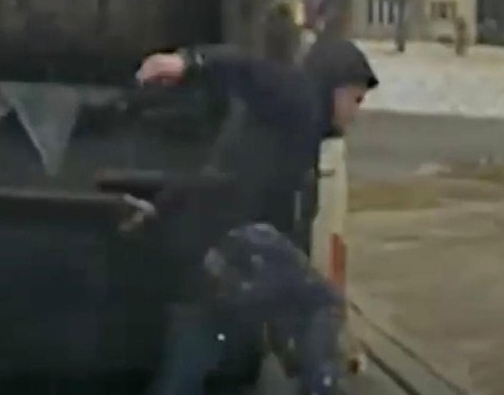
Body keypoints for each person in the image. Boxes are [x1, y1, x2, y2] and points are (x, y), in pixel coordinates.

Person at [136, 36, 378, 395]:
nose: (355, 113)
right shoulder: (299, 97)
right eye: (354, 99)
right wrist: (190, 62)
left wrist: (157, 211)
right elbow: (249, 70)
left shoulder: (287, 130)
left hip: (215, 248)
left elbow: (210, 175)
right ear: (333, 85)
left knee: (199, 339)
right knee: (323, 304)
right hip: (241, 240)